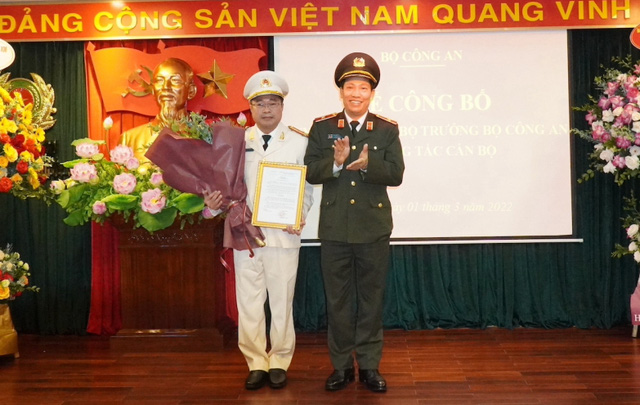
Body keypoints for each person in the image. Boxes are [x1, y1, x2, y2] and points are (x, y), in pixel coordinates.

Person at [205, 70, 314, 390]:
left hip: (283, 235)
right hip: (245, 236)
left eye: (273, 103)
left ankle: (279, 359)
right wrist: (213, 204)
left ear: (282, 106)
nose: (267, 109)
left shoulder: (299, 142)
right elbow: (223, 186)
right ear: (250, 108)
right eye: (260, 104)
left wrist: (300, 214)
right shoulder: (237, 142)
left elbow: (307, 189)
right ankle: (255, 361)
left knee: (282, 302)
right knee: (249, 303)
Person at [303, 52, 404, 393]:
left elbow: (396, 174)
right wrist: (335, 163)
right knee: (338, 301)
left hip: (373, 228)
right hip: (335, 229)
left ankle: (370, 366)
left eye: (363, 87)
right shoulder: (323, 127)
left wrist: (367, 165)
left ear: (372, 93)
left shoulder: (387, 129)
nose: (356, 93)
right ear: (341, 91)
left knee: (372, 300)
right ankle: (342, 366)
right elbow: (310, 170)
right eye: (350, 87)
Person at [120, 57, 198, 161]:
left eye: (175, 80)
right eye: (160, 81)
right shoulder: (130, 139)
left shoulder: (207, 139)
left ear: (191, 91)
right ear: (153, 90)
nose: (166, 87)